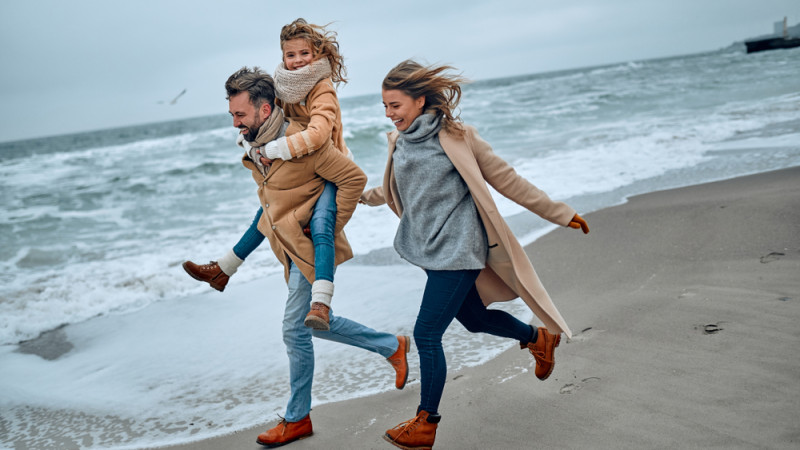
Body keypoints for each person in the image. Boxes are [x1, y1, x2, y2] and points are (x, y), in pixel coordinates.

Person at [360, 60, 590, 450]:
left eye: (395, 105)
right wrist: (357, 196)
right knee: (474, 318)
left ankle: (425, 422)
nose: (389, 113)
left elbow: (506, 178)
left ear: (419, 100)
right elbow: (392, 186)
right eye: (384, 106)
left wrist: (559, 212)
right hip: (431, 249)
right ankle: (537, 339)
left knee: (427, 334)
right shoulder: (398, 141)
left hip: (461, 247)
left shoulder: (457, 136)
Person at [219, 66, 410, 448]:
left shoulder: (298, 141)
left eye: (241, 114)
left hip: (310, 248)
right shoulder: (257, 147)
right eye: (232, 115)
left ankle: (297, 418)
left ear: (266, 109)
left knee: (294, 329)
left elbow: (353, 179)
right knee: (309, 323)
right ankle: (391, 346)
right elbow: (272, 203)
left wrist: (326, 227)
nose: (235, 122)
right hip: (288, 247)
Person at [183, 18, 351, 331]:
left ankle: (322, 301)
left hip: (326, 166)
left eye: (305, 54)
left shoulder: (322, 90)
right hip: (299, 161)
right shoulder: (286, 83)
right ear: (283, 56)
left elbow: (316, 134)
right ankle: (223, 269)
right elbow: (270, 116)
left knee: (320, 225)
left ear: (318, 54)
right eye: (291, 55)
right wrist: (250, 139)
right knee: (267, 210)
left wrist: (274, 150)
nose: (298, 61)